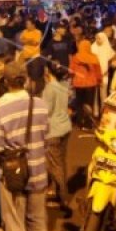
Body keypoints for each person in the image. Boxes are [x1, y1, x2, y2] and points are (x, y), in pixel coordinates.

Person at [0, 61, 53, 231]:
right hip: (39, 174)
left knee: (15, 226)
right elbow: (46, 136)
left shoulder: (1, 110)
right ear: (26, 80)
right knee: (38, 225)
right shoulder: (40, 105)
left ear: (5, 82)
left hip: (14, 178)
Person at [42, 63, 72, 215]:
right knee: (60, 162)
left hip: (53, 131)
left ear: (48, 72)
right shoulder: (64, 85)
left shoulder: (49, 89)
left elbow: (45, 112)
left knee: (55, 165)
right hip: (66, 127)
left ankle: (63, 198)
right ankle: (53, 190)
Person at [70, 39, 102, 129]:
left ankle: (80, 122)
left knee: (79, 103)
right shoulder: (94, 57)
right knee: (89, 104)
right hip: (91, 85)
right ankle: (88, 123)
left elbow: (71, 71)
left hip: (79, 84)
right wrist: (100, 80)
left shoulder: (75, 57)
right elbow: (98, 72)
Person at [91, 32, 115, 103]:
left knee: (103, 95)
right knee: (94, 96)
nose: (98, 40)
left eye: (99, 38)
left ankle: (103, 111)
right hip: (94, 75)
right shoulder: (93, 47)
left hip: (104, 74)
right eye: (97, 38)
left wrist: (108, 69)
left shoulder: (107, 48)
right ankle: (95, 112)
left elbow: (114, 58)